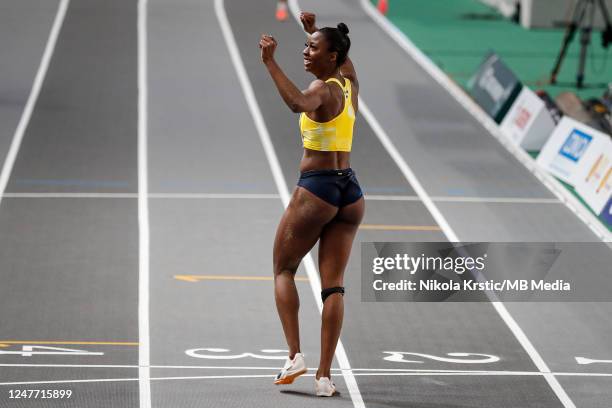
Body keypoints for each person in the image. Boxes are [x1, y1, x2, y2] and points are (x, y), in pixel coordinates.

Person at [259, 11, 364, 397]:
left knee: (283, 269)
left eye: (312, 48)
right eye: (305, 46)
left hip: (316, 190)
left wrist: (271, 63)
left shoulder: (321, 89)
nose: (305, 52)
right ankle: (324, 377)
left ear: (331, 56)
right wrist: (313, 30)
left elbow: (296, 103)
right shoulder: (350, 82)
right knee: (333, 288)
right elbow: (348, 59)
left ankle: (293, 356)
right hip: (350, 193)